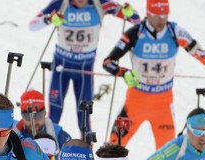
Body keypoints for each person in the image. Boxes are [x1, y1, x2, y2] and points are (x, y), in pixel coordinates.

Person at [102, 0, 205, 152]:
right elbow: (108, 62)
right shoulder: (136, 32)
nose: (162, 20)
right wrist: (124, 72)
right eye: (157, 16)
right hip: (135, 101)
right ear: (148, 14)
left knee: (168, 154)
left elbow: (198, 51)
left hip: (163, 103)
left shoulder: (174, 31)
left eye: (165, 15)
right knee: (114, 146)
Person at [29, 0, 140, 130]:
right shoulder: (61, 4)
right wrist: (49, 19)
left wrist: (129, 12)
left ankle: (87, 149)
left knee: (84, 118)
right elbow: (33, 25)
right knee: (54, 115)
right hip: (61, 68)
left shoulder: (101, 4)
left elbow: (137, 20)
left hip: (85, 70)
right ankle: (50, 148)